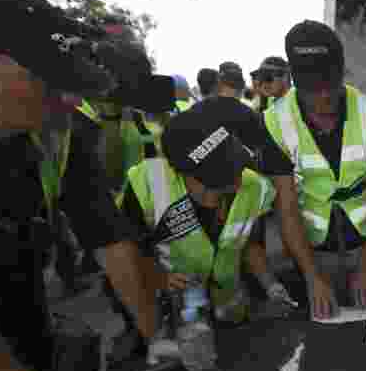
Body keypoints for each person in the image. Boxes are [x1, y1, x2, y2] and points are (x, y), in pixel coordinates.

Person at [0, 0, 162, 371]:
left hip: (24, 358)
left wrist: (157, 335)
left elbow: (108, 236)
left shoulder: (59, 133)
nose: (71, 99)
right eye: (49, 81)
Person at [264, 20, 366, 320]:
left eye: (330, 84)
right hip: (313, 251)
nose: (323, 97)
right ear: (295, 80)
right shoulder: (275, 122)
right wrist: (312, 276)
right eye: (313, 88)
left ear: (341, 72)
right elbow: (286, 210)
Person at [120, 101, 289, 331]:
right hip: (174, 309)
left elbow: (250, 244)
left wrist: (270, 285)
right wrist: (158, 277)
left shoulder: (253, 185)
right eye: (219, 177)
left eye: (236, 167)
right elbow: (125, 253)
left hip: (229, 303)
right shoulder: (149, 184)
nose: (237, 180)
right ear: (182, 171)